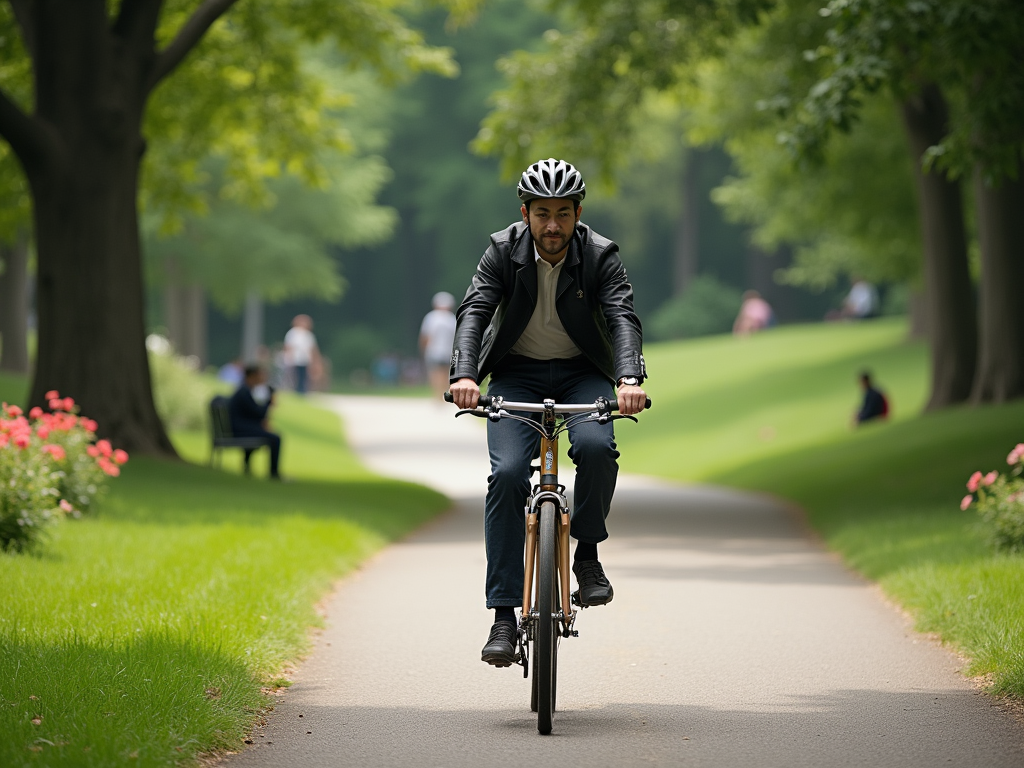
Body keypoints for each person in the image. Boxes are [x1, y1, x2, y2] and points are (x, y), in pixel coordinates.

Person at [448, 158, 648, 667]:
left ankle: (586, 555)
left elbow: (622, 316)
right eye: (543, 213)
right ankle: (502, 616)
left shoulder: (601, 255)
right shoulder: (501, 250)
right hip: (517, 374)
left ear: (578, 213)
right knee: (509, 474)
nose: (553, 225)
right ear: (526, 213)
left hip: (584, 373)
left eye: (563, 213)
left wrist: (628, 379)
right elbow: (474, 310)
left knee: (597, 449)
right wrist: (464, 374)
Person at [228, 365, 283, 479]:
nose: (263, 378)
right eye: (260, 375)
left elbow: (253, 413)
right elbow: (258, 413)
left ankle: (247, 465)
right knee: (275, 438)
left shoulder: (244, 390)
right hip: (239, 430)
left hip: (241, 427)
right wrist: (269, 401)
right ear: (253, 376)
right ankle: (274, 473)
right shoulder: (244, 392)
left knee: (265, 432)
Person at [420, 291, 458, 398]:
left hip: (433, 350)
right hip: (448, 351)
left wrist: (423, 350)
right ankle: (443, 394)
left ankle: (437, 395)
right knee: (446, 374)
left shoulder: (431, 317)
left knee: (435, 373)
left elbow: (425, 336)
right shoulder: (452, 318)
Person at [284, 315, 320, 394]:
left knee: (303, 375)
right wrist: (289, 357)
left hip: (305, 358)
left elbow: (312, 348)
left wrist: (314, 361)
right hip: (295, 358)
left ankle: (302, 389)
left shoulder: (308, 335)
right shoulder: (292, 333)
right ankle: (295, 389)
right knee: (294, 375)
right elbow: (289, 346)